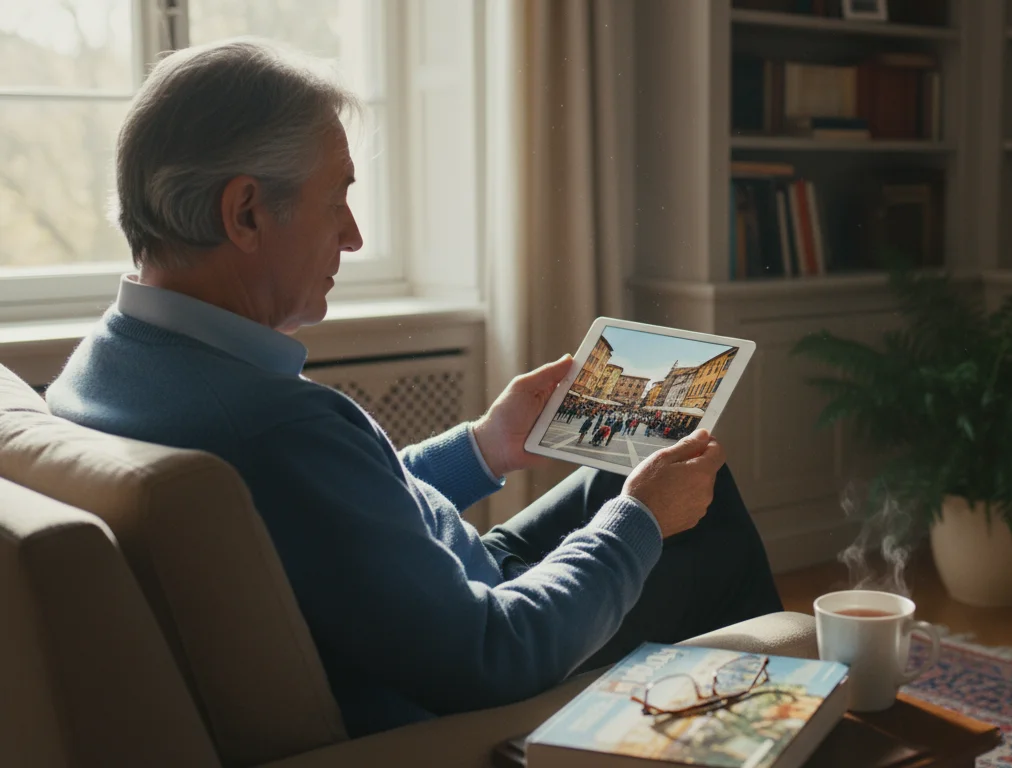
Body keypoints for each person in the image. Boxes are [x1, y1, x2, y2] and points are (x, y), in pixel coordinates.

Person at [44, 39, 782, 738]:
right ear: (244, 212)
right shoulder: (273, 428)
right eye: (337, 198)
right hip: (482, 638)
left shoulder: (107, 365)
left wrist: (486, 447)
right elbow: (495, 656)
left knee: (629, 477)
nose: (355, 235)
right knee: (693, 511)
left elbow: (336, 518)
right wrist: (643, 521)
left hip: (437, 591)